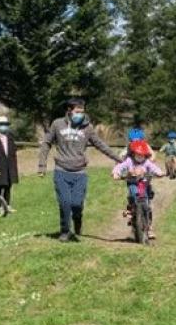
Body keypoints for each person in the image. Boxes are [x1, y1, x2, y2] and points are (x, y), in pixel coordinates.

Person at [38, 98, 120, 242]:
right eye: (77, 112)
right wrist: (42, 165)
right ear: (69, 111)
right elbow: (46, 143)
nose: (80, 114)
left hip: (79, 173)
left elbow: (100, 144)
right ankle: (65, 231)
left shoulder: (87, 127)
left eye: (82, 112)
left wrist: (119, 159)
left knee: (76, 204)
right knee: (65, 203)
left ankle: (78, 219)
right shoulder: (57, 124)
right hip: (61, 170)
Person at [112, 140, 165, 239]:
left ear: (146, 155)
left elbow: (154, 168)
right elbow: (119, 166)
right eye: (138, 155)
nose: (140, 157)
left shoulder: (147, 162)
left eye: (143, 155)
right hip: (132, 183)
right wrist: (116, 173)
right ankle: (131, 209)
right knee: (133, 195)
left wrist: (159, 172)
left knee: (147, 203)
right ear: (133, 154)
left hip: (144, 184)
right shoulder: (129, 161)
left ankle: (148, 225)